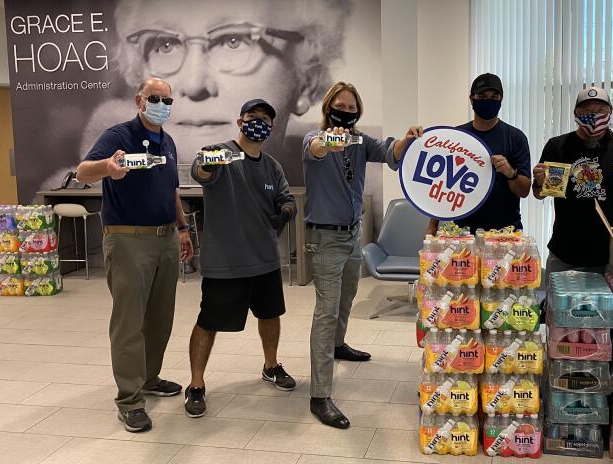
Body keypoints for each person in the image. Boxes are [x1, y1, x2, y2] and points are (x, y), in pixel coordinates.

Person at [39, 0, 356, 192]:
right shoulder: (122, 144)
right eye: (164, 44)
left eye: (234, 40)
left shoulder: (330, 174)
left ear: (307, 77)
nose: (192, 84)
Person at [75, 77, 194, 433]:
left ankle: (149, 377)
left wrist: (183, 228)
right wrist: (107, 169)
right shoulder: (119, 136)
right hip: (128, 240)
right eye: (154, 98)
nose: (161, 104)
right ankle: (129, 400)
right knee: (129, 323)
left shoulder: (168, 142)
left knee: (160, 319)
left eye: (167, 100)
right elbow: (82, 172)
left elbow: (170, 189)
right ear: (139, 100)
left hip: (165, 238)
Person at [303, 81, 422, 429]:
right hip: (324, 238)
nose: (346, 111)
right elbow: (316, 149)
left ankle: (338, 346)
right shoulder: (313, 137)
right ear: (328, 108)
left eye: (352, 108)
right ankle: (320, 395)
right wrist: (328, 142)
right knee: (326, 311)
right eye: (340, 106)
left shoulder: (361, 141)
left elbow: (390, 152)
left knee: (347, 298)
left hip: (352, 234)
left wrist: (408, 139)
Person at [183, 98, 297, 418]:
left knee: (270, 314)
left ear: (272, 128)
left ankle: (271, 366)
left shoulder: (272, 166)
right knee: (208, 322)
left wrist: (286, 211)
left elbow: (287, 198)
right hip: (226, 262)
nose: (259, 122)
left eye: (265, 119)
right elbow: (200, 170)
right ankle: (195, 384)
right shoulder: (222, 154)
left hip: (265, 259)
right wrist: (209, 162)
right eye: (253, 116)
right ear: (240, 121)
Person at [532, 87, 613, 276]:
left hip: (608, 254)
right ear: (576, 113)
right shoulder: (557, 146)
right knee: (557, 304)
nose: (594, 116)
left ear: (610, 113)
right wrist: (539, 181)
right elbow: (538, 194)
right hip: (564, 251)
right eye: (587, 111)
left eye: (601, 111)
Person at [426, 73, 532, 234]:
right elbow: (442, 184)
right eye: (482, 96)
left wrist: (510, 172)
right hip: (462, 232)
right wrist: (432, 226)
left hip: (505, 233)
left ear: (501, 99)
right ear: (471, 99)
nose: (488, 101)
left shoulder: (515, 137)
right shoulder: (456, 137)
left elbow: (524, 191)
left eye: (494, 96)